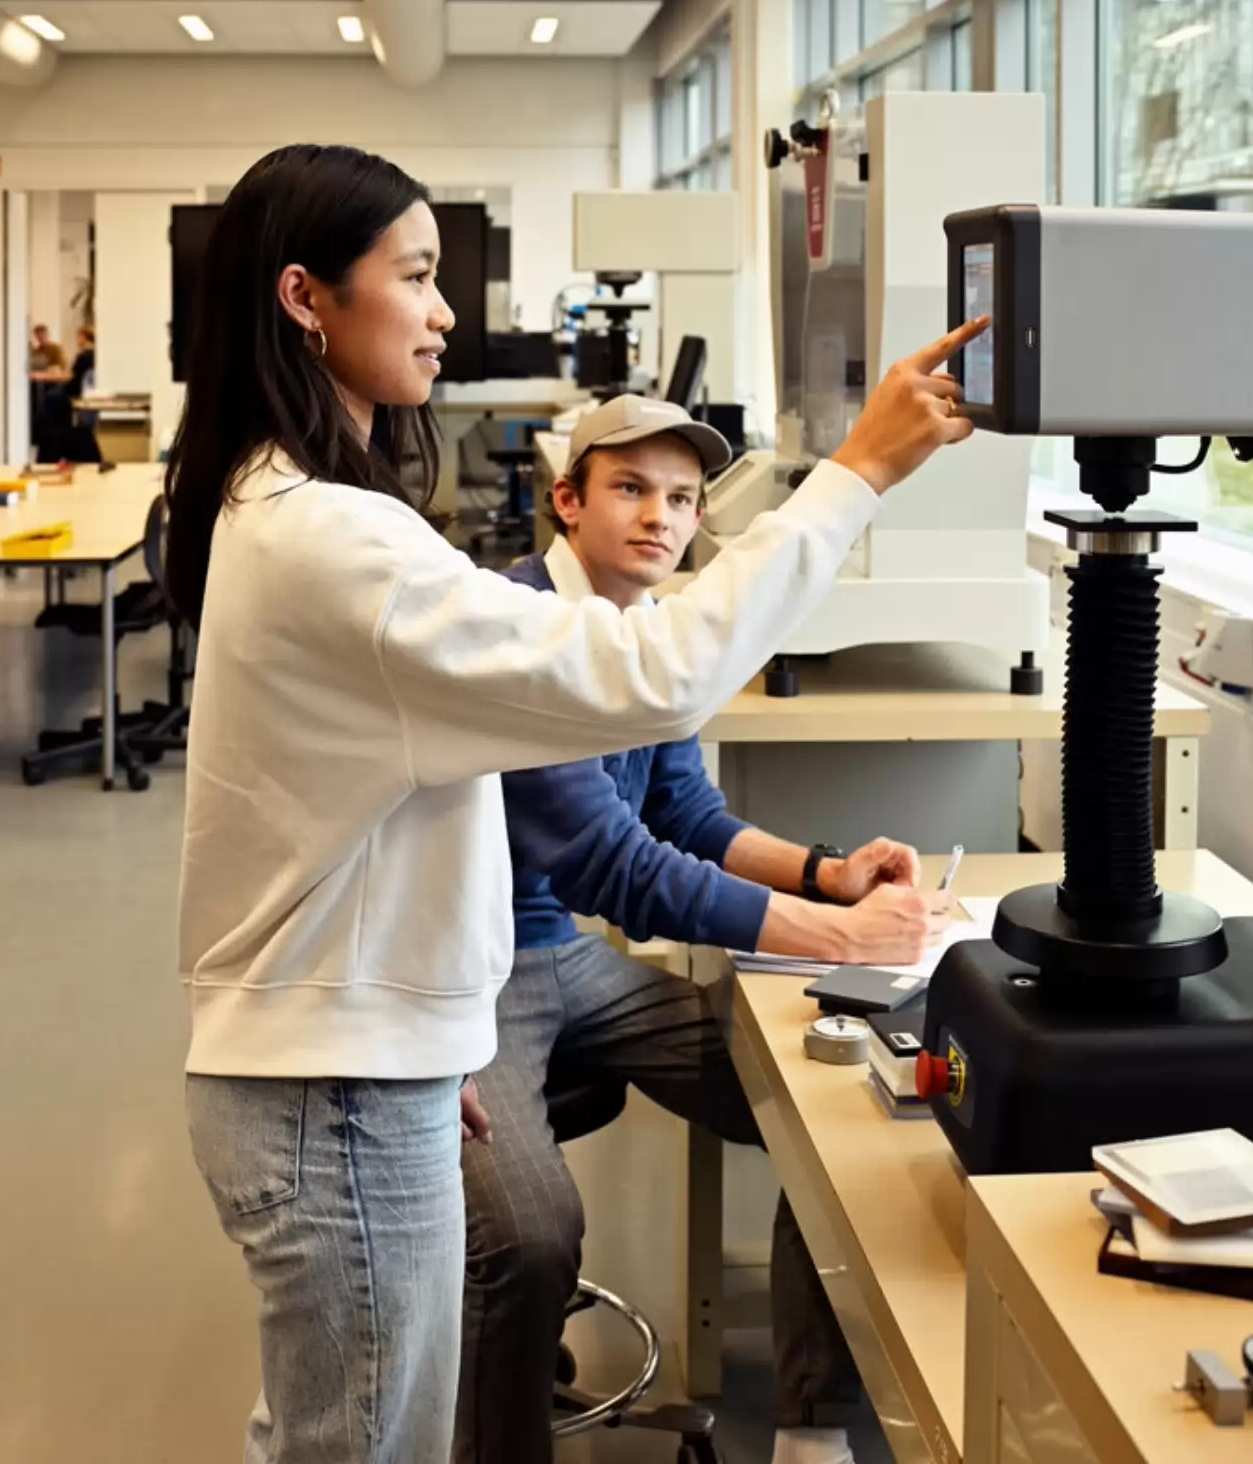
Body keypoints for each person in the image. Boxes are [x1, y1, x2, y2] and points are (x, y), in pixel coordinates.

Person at [165, 141, 984, 1464]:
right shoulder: (337, 543)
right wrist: (858, 474)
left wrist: (424, 1028)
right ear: (305, 296)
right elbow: (659, 683)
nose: (444, 313)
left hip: (358, 1064)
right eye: (416, 278)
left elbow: (337, 833)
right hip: (334, 1097)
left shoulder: (292, 514)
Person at [461, 394, 946, 1464]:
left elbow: (684, 812)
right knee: (531, 1237)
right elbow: (616, 868)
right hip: (472, 978)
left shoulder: (651, 630)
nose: (659, 519)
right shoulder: (518, 628)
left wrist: (830, 875)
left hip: (577, 968)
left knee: (827, 1115)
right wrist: (838, 938)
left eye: (681, 498)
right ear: (568, 499)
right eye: (630, 489)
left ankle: (811, 1425)